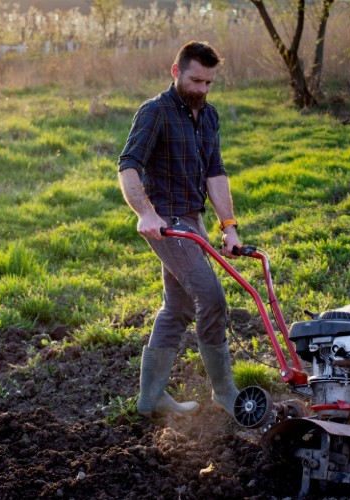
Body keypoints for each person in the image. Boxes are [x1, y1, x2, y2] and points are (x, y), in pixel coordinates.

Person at [117, 41, 240, 418]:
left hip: (194, 220)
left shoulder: (209, 115)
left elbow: (215, 172)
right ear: (176, 72)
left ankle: (151, 398)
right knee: (211, 297)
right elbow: (128, 165)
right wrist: (145, 213)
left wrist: (229, 227)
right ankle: (225, 392)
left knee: (178, 307)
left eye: (209, 82)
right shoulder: (155, 111)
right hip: (167, 223)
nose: (202, 89)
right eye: (195, 80)